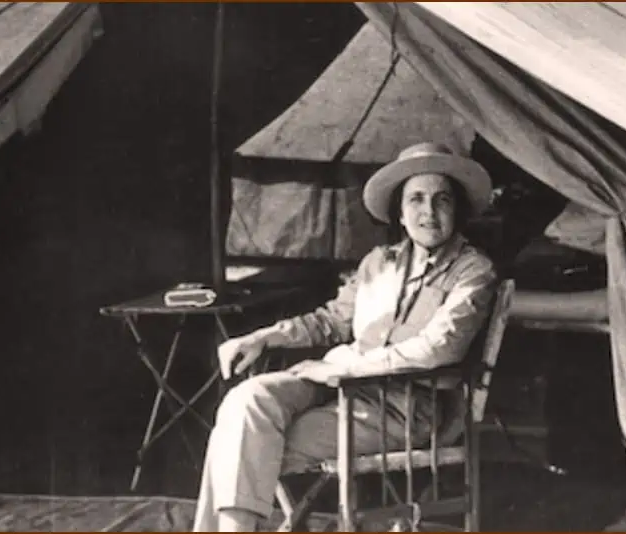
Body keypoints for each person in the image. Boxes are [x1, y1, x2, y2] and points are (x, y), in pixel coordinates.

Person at [193, 142, 499, 532]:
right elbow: (332, 320)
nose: (428, 211)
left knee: (241, 439)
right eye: (416, 199)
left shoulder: (472, 271)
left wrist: (344, 369)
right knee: (245, 401)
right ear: (401, 215)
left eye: (442, 200)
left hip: (404, 408)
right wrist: (264, 337)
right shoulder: (378, 263)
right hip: (337, 386)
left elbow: (438, 348)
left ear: (456, 211)